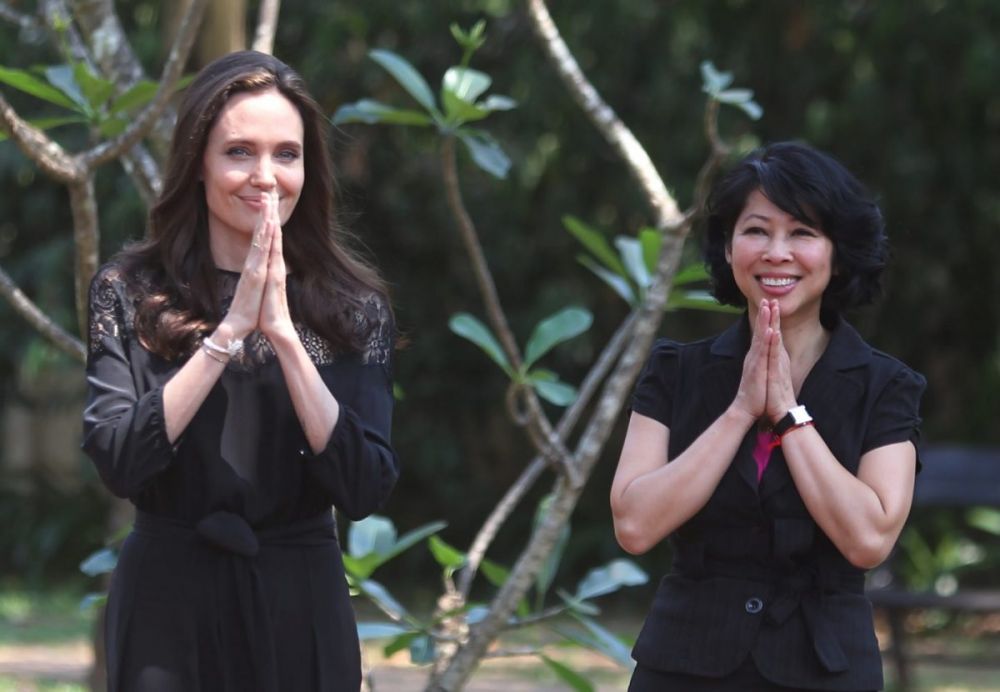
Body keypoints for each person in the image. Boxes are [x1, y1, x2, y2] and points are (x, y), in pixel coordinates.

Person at [82, 50, 399, 691]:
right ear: (198, 162)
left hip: (300, 602)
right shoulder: (130, 291)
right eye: (238, 153)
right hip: (168, 609)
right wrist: (227, 335)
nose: (265, 176)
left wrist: (282, 334)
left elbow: (365, 487)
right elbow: (118, 460)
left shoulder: (354, 307)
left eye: (287, 153)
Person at [611, 141, 925, 691]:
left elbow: (868, 539)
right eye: (756, 230)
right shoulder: (675, 371)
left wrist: (787, 413)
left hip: (825, 667)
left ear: (837, 251)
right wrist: (739, 410)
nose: (776, 252)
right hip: (683, 665)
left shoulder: (886, 387)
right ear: (729, 248)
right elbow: (635, 524)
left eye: (802, 233)